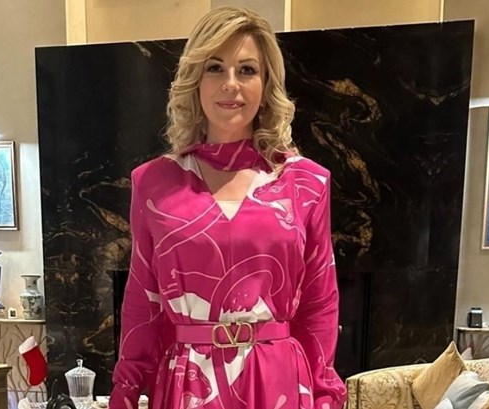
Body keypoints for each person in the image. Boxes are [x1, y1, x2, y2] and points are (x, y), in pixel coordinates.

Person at [110, 6, 346, 409]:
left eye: (247, 70)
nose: (230, 84)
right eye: (215, 68)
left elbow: (319, 303)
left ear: (266, 84)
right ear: (196, 80)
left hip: (277, 382)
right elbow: (142, 303)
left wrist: (325, 395)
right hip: (191, 385)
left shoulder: (307, 183)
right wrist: (127, 393)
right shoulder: (153, 183)